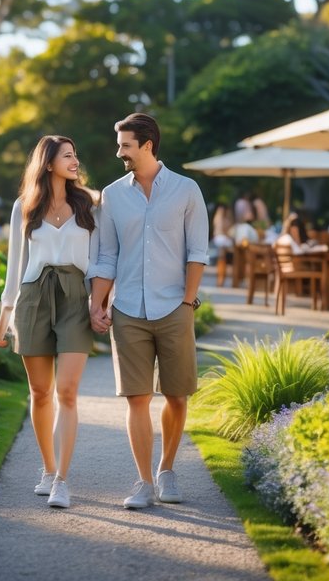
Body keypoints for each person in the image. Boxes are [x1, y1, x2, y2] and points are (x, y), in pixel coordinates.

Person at [88, 113, 208, 510]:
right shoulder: (112, 195)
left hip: (175, 306)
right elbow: (107, 255)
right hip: (129, 311)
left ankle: (167, 470)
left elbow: (197, 253)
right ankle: (143, 481)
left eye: (125, 145)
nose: (118, 151)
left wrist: (188, 301)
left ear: (147, 145)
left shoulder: (187, 190)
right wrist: (98, 303)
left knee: (176, 396)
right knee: (136, 398)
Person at [0, 135, 98, 510]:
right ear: (49, 162)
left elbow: (100, 261)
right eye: (67, 155)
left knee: (67, 391)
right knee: (40, 393)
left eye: (76, 154)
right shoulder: (25, 206)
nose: (75, 160)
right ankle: (48, 469)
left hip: (75, 298)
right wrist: (5, 314)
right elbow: (15, 265)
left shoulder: (89, 204)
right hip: (33, 298)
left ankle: (63, 481)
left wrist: (103, 303)